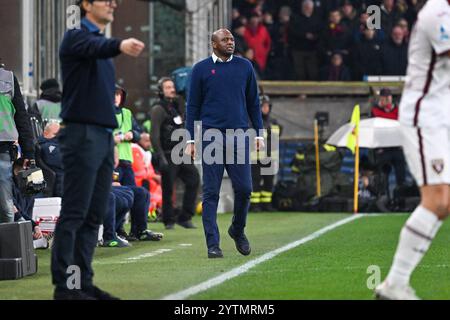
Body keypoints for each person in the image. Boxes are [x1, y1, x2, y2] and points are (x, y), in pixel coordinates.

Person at [51, 0, 145, 300]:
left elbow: (99, 49)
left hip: (104, 138)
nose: (113, 4)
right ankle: (66, 288)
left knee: (95, 215)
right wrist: (120, 43)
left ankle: (83, 283)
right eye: (106, 0)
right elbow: (93, 47)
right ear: (86, 4)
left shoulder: (100, 44)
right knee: (75, 213)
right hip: (82, 135)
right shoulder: (76, 35)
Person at [375, 0, 450, 300]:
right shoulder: (437, 12)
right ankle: (394, 284)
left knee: (444, 202)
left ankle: (395, 284)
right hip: (424, 116)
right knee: (435, 200)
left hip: (440, 117)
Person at [185, 28, 264, 259]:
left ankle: (237, 230)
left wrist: (259, 133)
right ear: (213, 44)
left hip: (239, 135)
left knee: (245, 189)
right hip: (211, 137)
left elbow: (254, 103)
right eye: (225, 39)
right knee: (211, 193)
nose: (230, 42)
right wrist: (190, 139)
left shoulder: (245, 66)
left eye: (231, 39)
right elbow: (192, 107)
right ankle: (213, 244)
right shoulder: (200, 69)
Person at [151, 77, 200, 230]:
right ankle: (168, 220)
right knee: (168, 188)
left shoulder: (177, 107)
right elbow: (154, 135)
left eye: (172, 86)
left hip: (181, 152)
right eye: (167, 87)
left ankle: (185, 216)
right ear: (160, 91)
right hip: (168, 153)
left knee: (194, 179)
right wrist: (160, 155)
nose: (171, 89)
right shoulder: (158, 109)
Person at [0, 64, 35, 224]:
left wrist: (29, 151)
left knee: (6, 206)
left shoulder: (8, 78)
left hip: (3, 150)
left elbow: (21, 116)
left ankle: (7, 248)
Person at [370, 88, 406, 194]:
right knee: (383, 176)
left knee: (401, 175)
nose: (386, 99)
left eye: (388, 97)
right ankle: (383, 197)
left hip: (397, 147)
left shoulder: (398, 110)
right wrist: (377, 147)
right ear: (380, 98)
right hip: (383, 148)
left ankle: (401, 197)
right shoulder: (375, 111)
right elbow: (373, 129)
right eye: (384, 97)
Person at [250, 95, 282, 212]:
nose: (266, 108)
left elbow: (277, 135)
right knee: (256, 181)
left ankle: (266, 204)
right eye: (263, 106)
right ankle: (254, 205)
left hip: (270, 157)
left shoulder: (273, 121)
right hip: (256, 158)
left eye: (267, 106)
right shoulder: (252, 121)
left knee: (269, 181)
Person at [38, 122, 64, 197]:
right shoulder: (47, 147)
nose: (57, 138)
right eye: (55, 135)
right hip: (59, 188)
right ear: (45, 133)